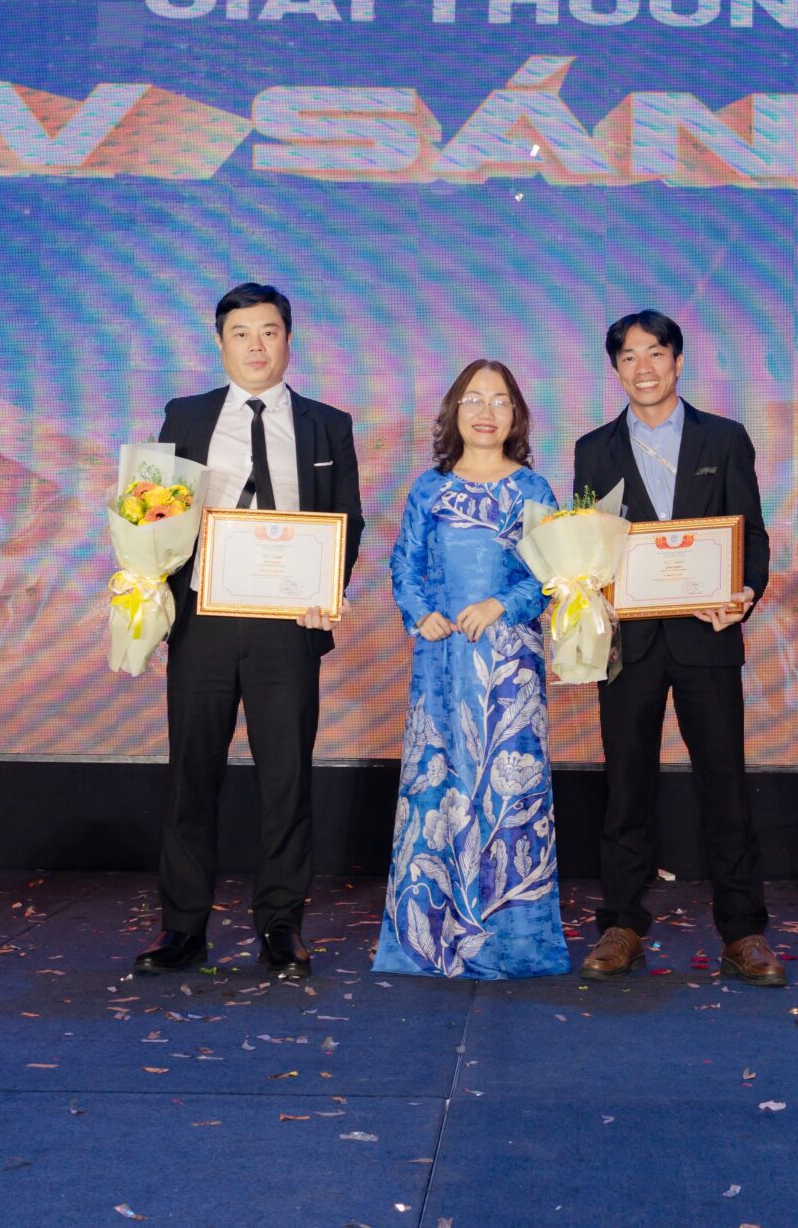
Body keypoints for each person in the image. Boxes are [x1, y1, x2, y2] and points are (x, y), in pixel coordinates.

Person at [134, 283, 364, 980]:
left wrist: (325, 592)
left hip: (287, 625)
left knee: (287, 777)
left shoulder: (328, 424)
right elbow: (152, 510)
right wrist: (149, 587)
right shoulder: (186, 415)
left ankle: (281, 925)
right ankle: (182, 928)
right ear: (220, 342)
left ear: (288, 339)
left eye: (269, 331)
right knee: (191, 774)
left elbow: (347, 519)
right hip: (203, 618)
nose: (256, 345)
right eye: (241, 333)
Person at [572, 309, 783, 988]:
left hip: (706, 637)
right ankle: (622, 926)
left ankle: (744, 931)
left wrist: (744, 591)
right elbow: (586, 543)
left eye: (655, 353)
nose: (644, 367)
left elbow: (751, 532)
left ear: (678, 360)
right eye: (629, 357)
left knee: (725, 786)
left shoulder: (724, 437)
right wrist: (584, 584)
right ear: (616, 370)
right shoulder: (593, 448)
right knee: (625, 787)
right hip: (627, 642)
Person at [372, 359, 568, 979]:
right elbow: (404, 564)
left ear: (517, 415)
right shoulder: (428, 488)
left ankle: (511, 940)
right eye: (474, 399)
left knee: (508, 791)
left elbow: (551, 574)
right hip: (441, 658)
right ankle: (429, 937)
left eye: (501, 400)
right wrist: (420, 613)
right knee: (440, 784)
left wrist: (501, 605)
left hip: (509, 664)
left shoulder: (534, 490)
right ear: (454, 411)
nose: (487, 412)